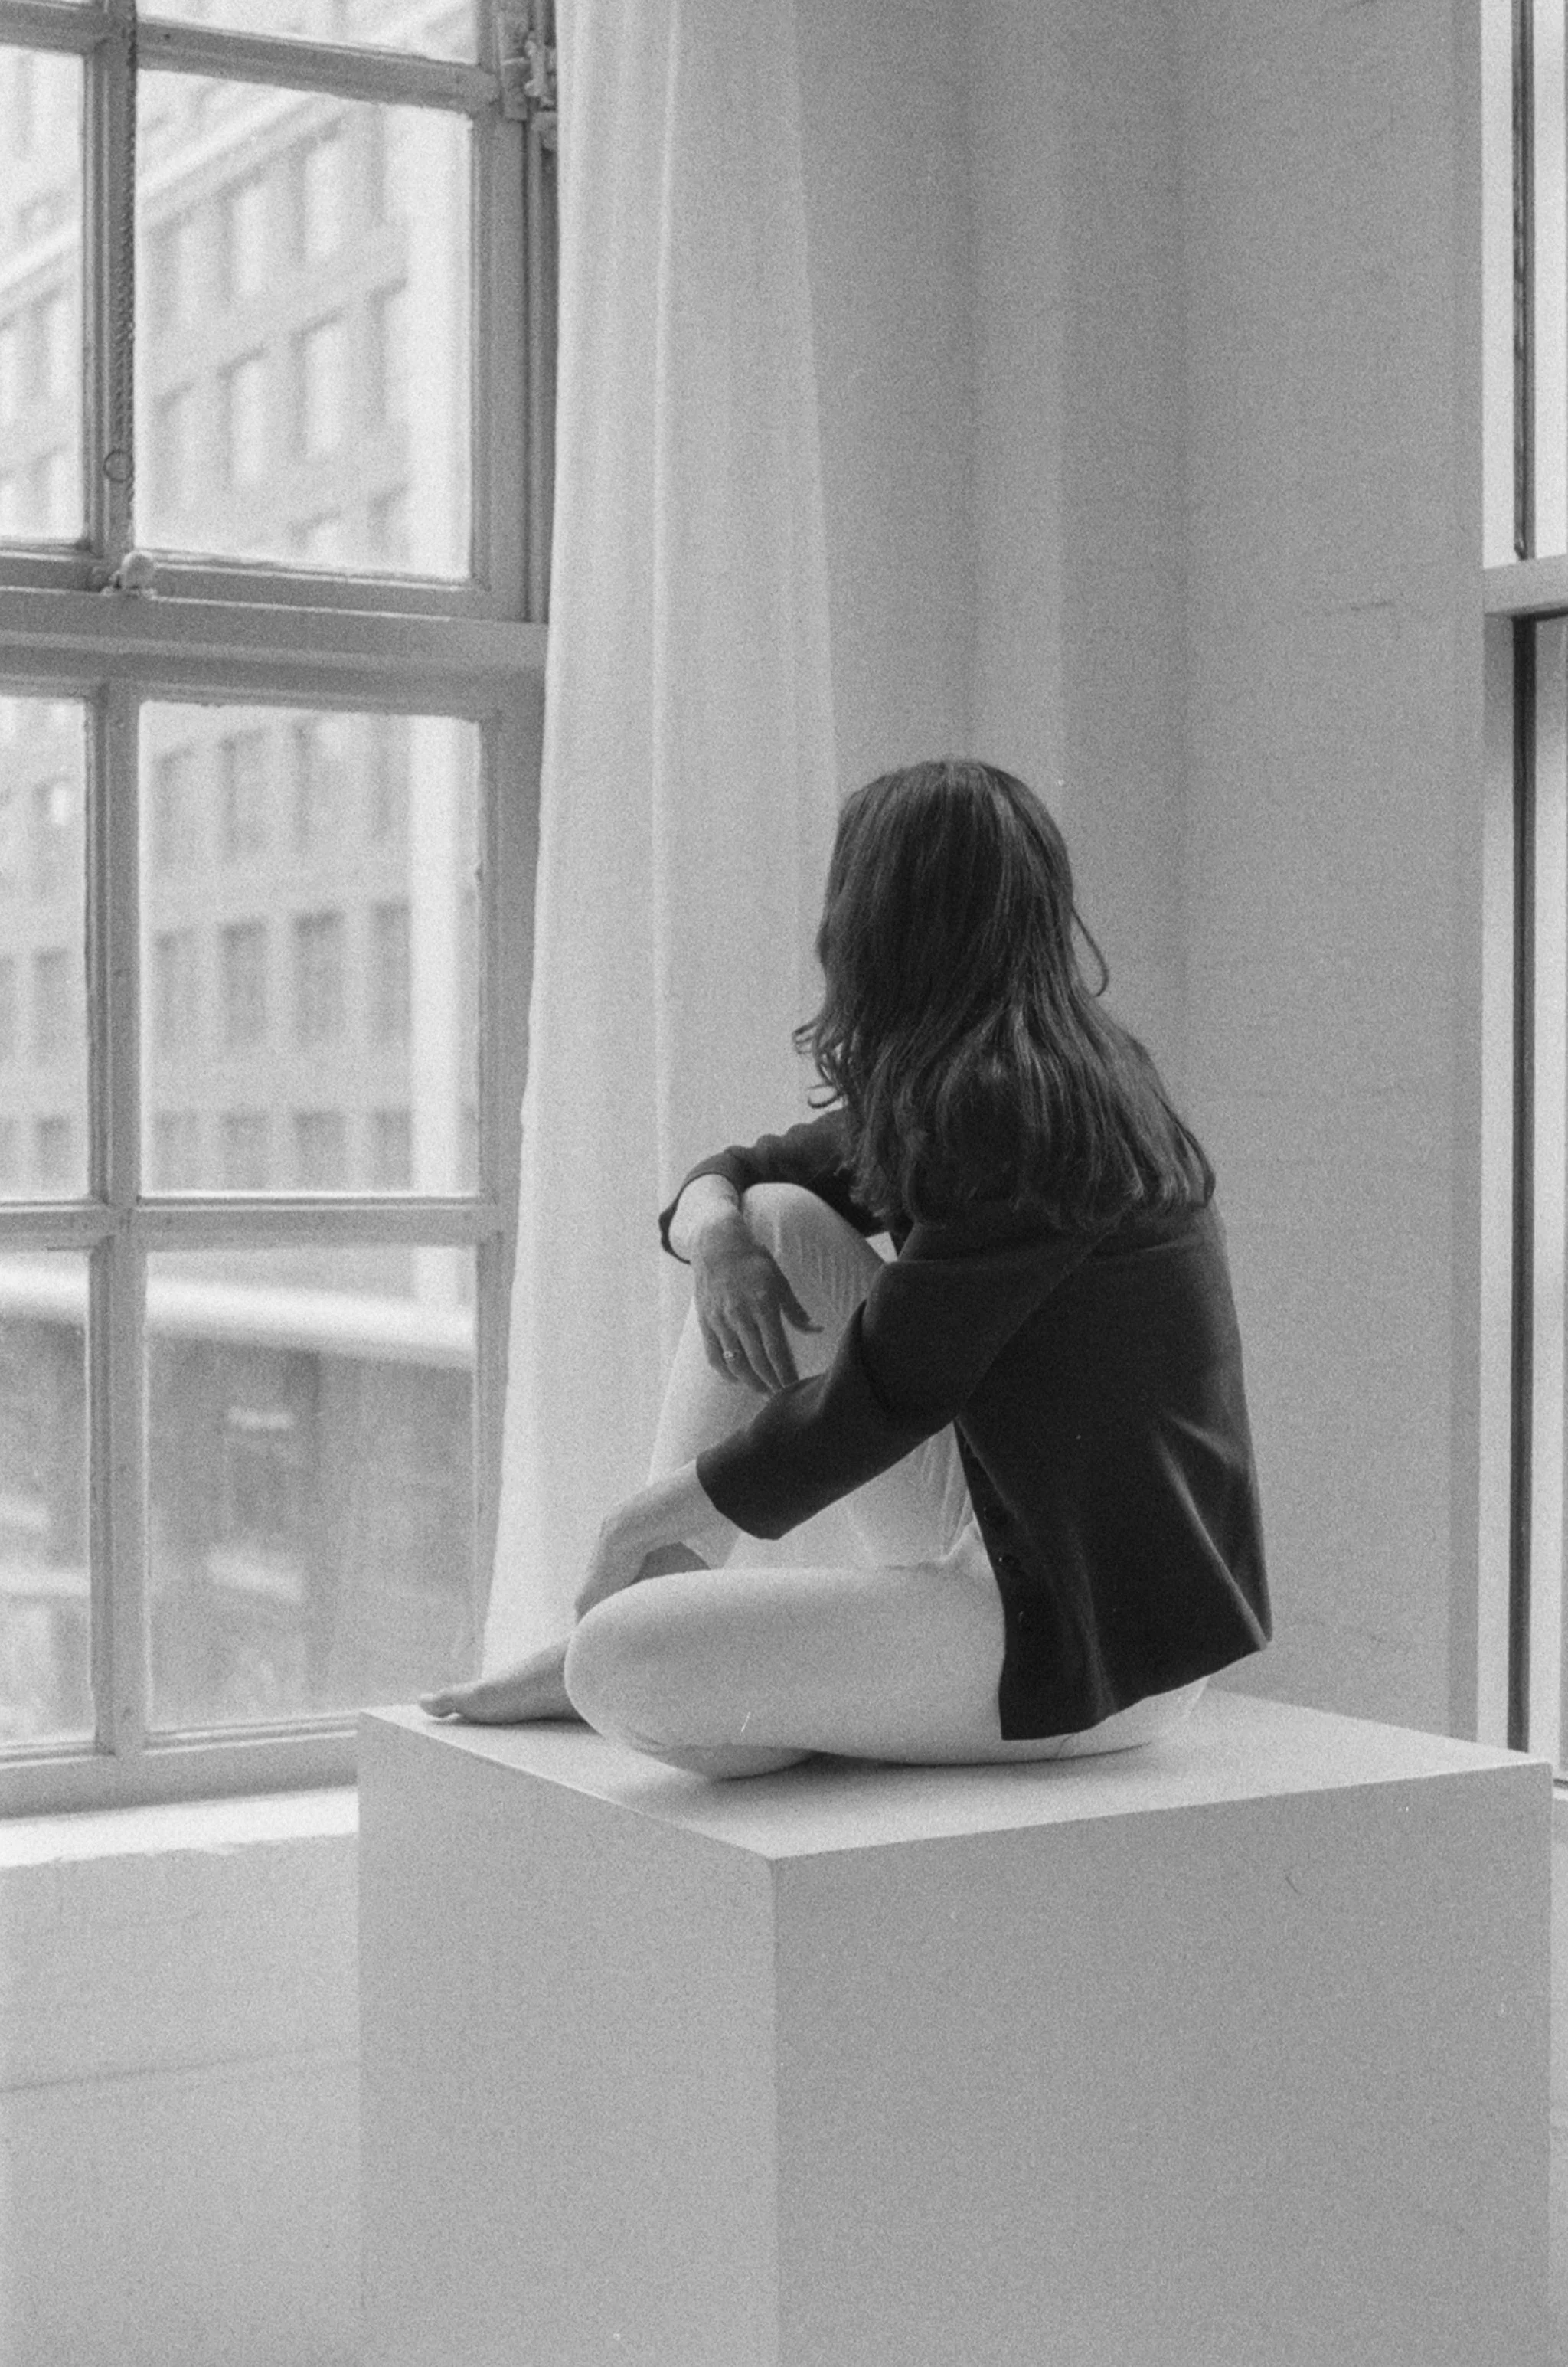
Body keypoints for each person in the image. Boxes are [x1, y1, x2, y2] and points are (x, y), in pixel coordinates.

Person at [422, 758, 1270, 1777]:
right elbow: (744, 1174)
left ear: (878, 919)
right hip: (1046, 1558)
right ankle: (692, 1631)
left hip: (1073, 1649)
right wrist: (718, 1239)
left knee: (617, 1663)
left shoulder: (1013, 1112)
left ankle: (644, 1634)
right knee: (775, 1216)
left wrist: (636, 1520)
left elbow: (882, 1396)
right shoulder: (1022, 1074)